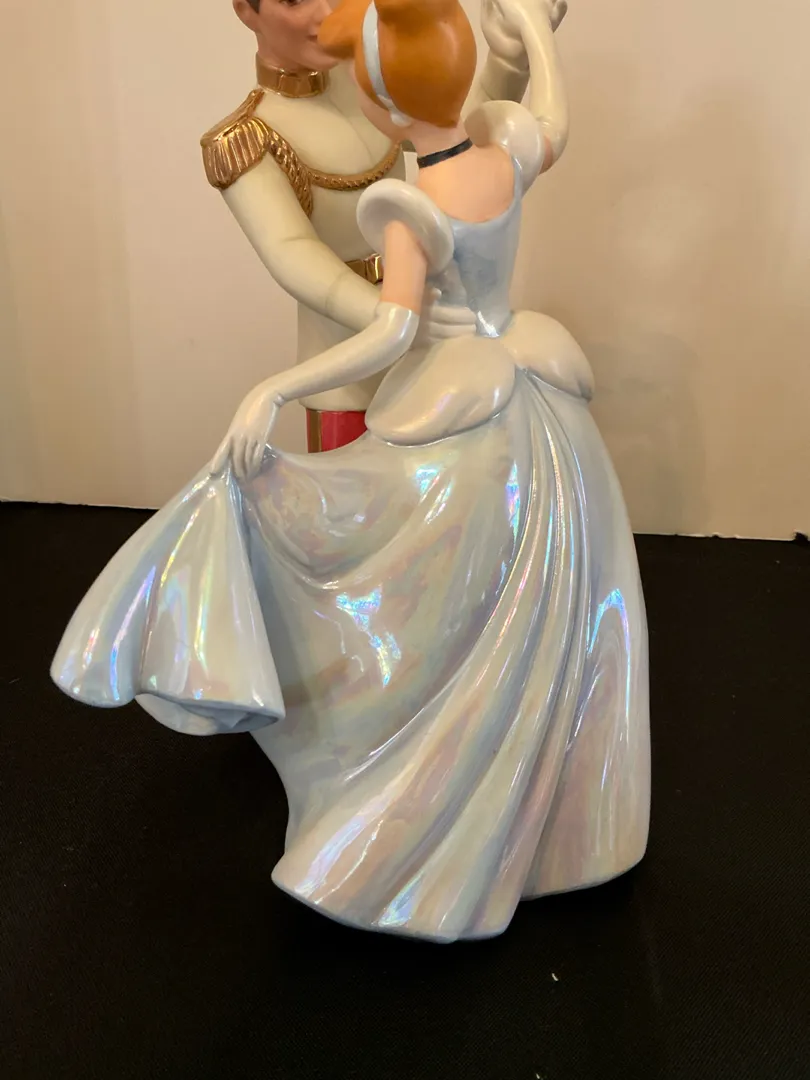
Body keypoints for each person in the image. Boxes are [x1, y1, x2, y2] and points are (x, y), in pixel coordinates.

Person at [52, 0, 650, 943]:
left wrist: (282, 382)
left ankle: (419, 735)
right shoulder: (261, 136)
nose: (319, 6)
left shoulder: (389, 137)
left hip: (429, 366)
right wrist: (529, 33)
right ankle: (379, 707)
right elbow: (311, 250)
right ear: (248, 11)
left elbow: (437, 122)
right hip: (431, 372)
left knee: (434, 567)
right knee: (394, 562)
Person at [202, 0, 566, 450]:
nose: (325, 11)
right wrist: (391, 318)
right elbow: (291, 251)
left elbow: (450, 128)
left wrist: (508, 59)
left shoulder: (364, 75)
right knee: (354, 486)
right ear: (246, 9)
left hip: (438, 349)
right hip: (350, 363)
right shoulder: (247, 138)